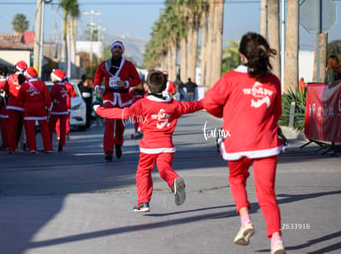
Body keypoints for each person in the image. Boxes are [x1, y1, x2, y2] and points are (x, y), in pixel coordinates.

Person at [201, 32, 286, 254]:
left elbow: (209, 102)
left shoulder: (230, 79)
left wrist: (226, 112)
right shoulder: (273, 81)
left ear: (241, 56)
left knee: (236, 179)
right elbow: (276, 113)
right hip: (267, 143)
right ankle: (276, 239)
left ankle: (245, 219)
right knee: (267, 193)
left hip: (237, 142)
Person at [94, 70, 203, 212]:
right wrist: (208, 102)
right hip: (167, 146)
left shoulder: (142, 104)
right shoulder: (174, 104)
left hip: (149, 147)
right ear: (164, 87)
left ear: (147, 87)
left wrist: (100, 110)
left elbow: (123, 113)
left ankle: (143, 202)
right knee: (164, 169)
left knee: (143, 172)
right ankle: (173, 180)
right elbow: (192, 106)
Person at [94, 40, 141, 162]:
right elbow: (98, 77)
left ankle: (118, 144)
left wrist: (126, 83)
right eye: (115, 48)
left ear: (122, 51)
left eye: (119, 48)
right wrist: (97, 87)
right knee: (109, 124)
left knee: (120, 126)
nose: (117, 50)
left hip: (123, 99)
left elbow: (137, 80)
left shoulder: (128, 65)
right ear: (111, 50)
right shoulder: (104, 64)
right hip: (109, 97)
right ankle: (108, 151)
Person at [18, 67, 53, 153]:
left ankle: (32, 148)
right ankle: (47, 147)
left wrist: (22, 108)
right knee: (44, 129)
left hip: (29, 109)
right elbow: (47, 98)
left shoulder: (24, 86)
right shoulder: (42, 84)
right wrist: (48, 107)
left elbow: (20, 98)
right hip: (40, 109)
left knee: (30, 130)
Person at [4, 60, 27, 154]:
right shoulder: (26, 78)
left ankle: (12, 147)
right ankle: (24, 146)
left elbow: (6, 90)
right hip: (23, 106)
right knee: (25, 128)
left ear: (15, 68)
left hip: (12, 106)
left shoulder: (10, 78)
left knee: (12, 128)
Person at [48, 69, 68, 152]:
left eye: (52, 76)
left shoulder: (55, 87)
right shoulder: (64, 86)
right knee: (62, 128)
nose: (51, 77)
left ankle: (48, 144)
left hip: (56, 109)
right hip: (64, 109)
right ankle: (61, 145)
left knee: (50, 127)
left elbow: (51, 97)